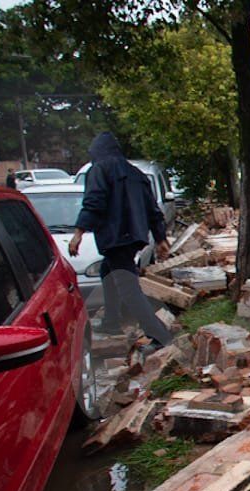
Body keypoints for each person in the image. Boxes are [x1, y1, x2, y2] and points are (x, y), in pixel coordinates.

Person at [69, 132, 173, 349]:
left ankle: (160, 336)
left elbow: (94, 202)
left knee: (128, 289)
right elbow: (152, 209)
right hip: (133, 236)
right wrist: (160, 237)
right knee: (107, 271)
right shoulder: (135, 173)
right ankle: (111, 321)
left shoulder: (99, 170)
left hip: (115, 237)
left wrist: (78, 233)